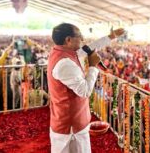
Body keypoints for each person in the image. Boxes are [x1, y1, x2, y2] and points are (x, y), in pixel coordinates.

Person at [47, 23, 124, 153]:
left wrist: (111, 36)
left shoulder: (64, 52)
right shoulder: (64, 63)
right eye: (79, 36)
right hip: (71, 126)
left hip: (69, 119)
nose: (82, 38)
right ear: (68, 40)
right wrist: (93, 66)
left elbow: (89, 47)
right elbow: (85, 91)